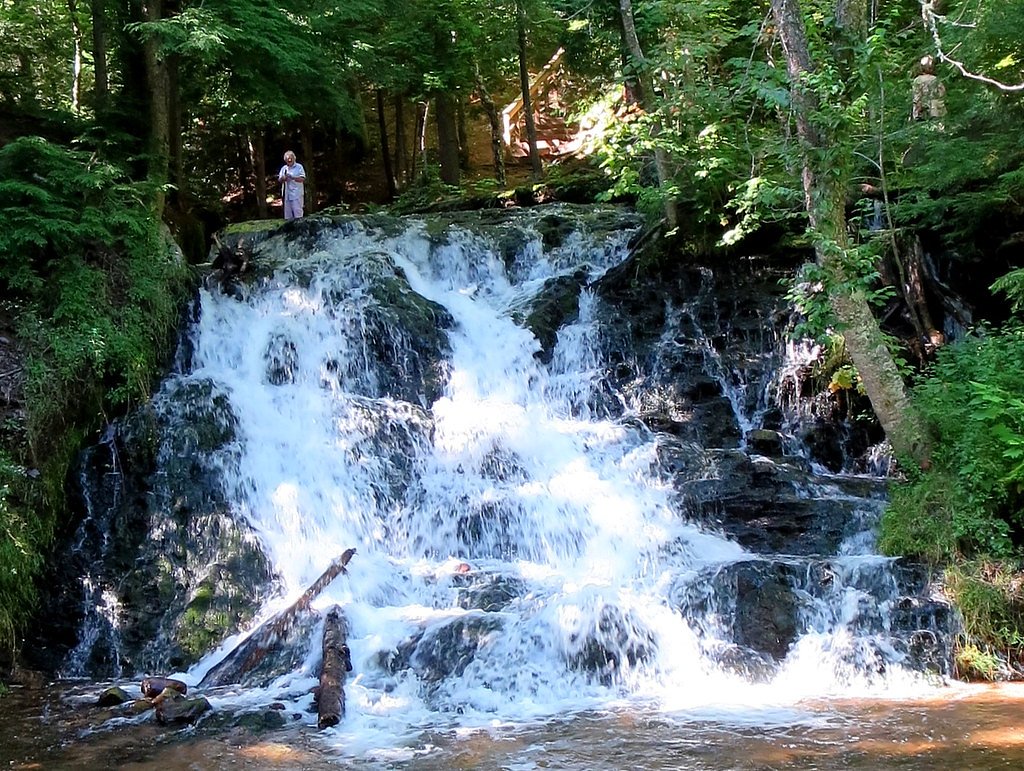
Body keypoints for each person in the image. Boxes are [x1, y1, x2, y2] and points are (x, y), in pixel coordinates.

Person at [912, 55, 946, 121]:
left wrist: (917, 109)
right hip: (936, 110)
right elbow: (942, 93)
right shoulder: (936, 79)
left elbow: (916, 97)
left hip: (922, 111)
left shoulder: (917, 80)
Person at [278, 150, 306, 220]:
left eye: (291, 158)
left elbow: (302, 179)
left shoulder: (299, 167)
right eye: (288, 159)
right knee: (288, 216)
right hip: (287, 195)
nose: (289, 160)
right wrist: (283, 178)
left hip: (297, 194)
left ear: (294, 158)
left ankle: (299, 229)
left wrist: (292, 177)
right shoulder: (283, 168)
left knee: (298, 214)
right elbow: (279, 180)